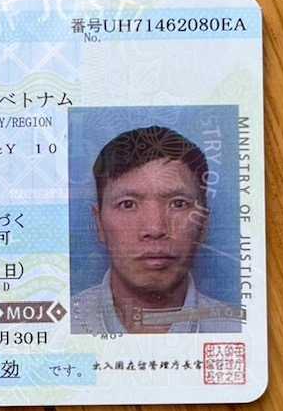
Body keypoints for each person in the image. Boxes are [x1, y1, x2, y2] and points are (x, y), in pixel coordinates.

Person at [70, 125, 241, 334]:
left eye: (178, 204)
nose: (155, 229)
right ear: (99, 223)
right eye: (128, 204)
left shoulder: (240, 329)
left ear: (203, 225)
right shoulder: (59, 328)